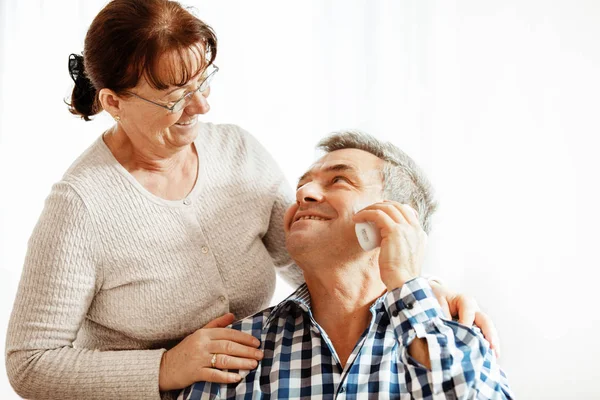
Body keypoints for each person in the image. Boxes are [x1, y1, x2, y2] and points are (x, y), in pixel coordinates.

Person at [5, 1, 499, 399]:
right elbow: (29, 365)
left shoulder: (238, 153)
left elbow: (319, 253)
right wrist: (166, 368)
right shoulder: (81, 206)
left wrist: (418, 289)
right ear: (114, 101)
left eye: (204, 81)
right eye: (177, 96)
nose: (202, 106)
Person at [179, 131, 514, 400]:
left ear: (396, 216)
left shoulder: (458, 336)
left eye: (338, 180)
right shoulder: (236, 349)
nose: (304, 193)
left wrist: (407, 282)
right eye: (302, 185)